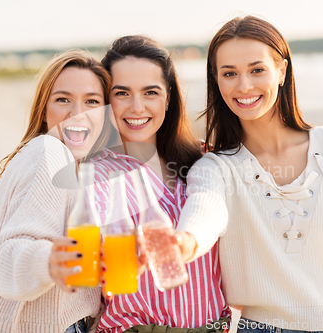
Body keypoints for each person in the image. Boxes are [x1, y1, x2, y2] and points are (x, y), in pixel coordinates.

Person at [175, 16, 323, 333]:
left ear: (282, 70)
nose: (243, 85)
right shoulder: (215, 168)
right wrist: (184, 241)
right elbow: (205, 209)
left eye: (257, 70)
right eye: (229, 73)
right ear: (216, 80)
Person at [87, 35, 231, 333]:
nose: (137, 107)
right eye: (122, 93)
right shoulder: (94, 174)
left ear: (168, 98)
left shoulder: (204, 160)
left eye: (150, 92)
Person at [0, 50, 114, 333]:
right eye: (63, 100)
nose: (78, 114)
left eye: (92, 102)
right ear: (43, 109)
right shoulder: (50, 152)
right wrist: (48, 261)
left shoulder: (76, 169)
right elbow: (9, 256)